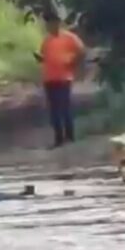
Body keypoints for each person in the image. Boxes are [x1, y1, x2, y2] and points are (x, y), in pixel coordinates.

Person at [34, 11, 86, 148]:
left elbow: (81, 51)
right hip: (50, 79)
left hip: (64, 78)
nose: (49, 26)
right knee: (54, 110)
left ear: (57, 23)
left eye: (51, 23)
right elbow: (45, 57)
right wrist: (40, 59)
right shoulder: (47, 41)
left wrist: (73, 62)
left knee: (65, 108)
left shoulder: (69, 38)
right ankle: (59, 138)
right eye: (47, 23)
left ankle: (70, 136)